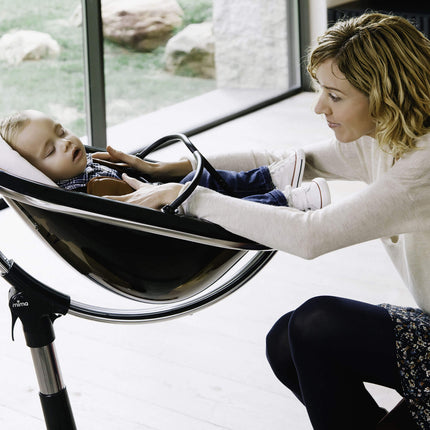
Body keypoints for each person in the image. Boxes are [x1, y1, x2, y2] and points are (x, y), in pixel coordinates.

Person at [79, 12, 430, 430]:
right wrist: (164, 170)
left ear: (386, 94)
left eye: (335, 96)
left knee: (315, 324)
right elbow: (281, 161)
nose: (319, 107)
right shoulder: (386, 135)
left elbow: (311, 235)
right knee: (285, 343)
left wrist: (190, 199)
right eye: (320, 91)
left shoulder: (422, 167)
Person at [0, 109, 331, 211]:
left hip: (165, 196)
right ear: (36, 171)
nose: (66, 142)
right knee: (209, 196)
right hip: (170, 219)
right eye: (50, 150)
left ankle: (269, 180)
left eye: (61, 131)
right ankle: (280, 195)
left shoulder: (88, 165)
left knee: (204, 182)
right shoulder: (87, 190)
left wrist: (136, 168)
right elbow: (131, 204)